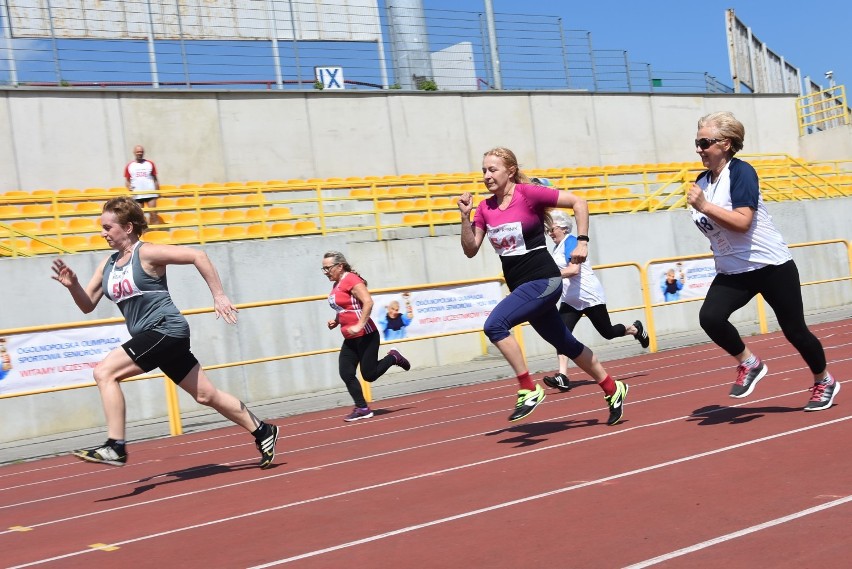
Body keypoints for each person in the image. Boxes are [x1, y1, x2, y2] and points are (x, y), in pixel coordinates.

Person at [51, 196, 280, 467]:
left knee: (104, 372)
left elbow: (198, 255)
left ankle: (115, 445)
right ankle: (263, 430)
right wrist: (72, 286)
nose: (103, 233)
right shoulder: (108, 265)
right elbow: (87, 305)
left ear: (128, 227)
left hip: (165, 329)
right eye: (101, 228)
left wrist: (218, 295)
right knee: (206, 395)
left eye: (108, 227)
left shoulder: (146, 253)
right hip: (154, 338)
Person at [458, 147, 628, 425]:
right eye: (484, 171)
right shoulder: (484, 209)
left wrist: (582, 241)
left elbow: (579, 202)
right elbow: (470, 249)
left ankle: (527, 387)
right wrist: (465, 216)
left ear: (510, 171)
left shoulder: (528, 194)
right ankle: (612, 388)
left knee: (494, 326)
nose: (487, 176)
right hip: (522, 287)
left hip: (544, 280)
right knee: (567, 343)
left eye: (493, 169)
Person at [687, 111, 840, 411]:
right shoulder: (702, 181)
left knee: (795, 331)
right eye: (697, 142)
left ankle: (824, 380)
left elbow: (743, 222)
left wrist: (704, 206)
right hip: (734, 271)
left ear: (726, 144)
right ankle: (750, 363)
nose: (698, 148)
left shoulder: (742, 173)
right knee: (711, 318)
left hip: (771, 266)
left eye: (704, 142)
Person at [541, 209, 649, 391]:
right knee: (560, 334)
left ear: (563, 228)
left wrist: (548, 276)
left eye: (552, 229)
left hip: (589, 296)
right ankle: (562, 376)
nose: (549, 234)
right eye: (548, 231)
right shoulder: (556, 247)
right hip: (570, 300)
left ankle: (634, 329)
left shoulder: (572, 242)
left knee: (607, 332)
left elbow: (573, 270)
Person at [323, 251, 411, 421]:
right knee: (346, 372)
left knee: (369, 375)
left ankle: (393, 357)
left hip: (366, 335)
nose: (326, 272)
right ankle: (362, 407)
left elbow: (368, 302)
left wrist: (359, 325)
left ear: (339, 266)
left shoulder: (350, 280)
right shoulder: (337, 284)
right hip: (350, 337)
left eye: (328, 268)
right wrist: (336, 321)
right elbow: (345, 307)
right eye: (323, 269)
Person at [124, 145, 162, 225]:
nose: (139, 153)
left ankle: (156, 234)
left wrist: (158, 191)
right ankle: (144, 235)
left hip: (150, 193)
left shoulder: (150, 164)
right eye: (138, 152)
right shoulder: (130, 166)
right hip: (137, 194)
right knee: (139, 216)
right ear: (134, 153)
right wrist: (129, 187)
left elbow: (155, 179)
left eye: (141, 152)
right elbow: (127, 181)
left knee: (153, 214)